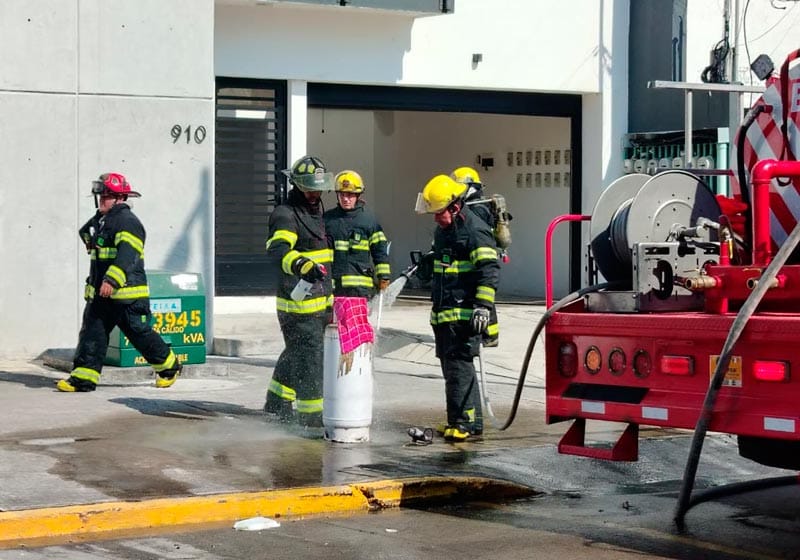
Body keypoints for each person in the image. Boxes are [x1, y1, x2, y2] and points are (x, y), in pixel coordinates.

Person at [57, 173, 182, 392]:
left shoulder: (128, 222)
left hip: (126, 294)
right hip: (102, 294)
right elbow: (86, 230)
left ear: (119, 198)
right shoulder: (104, 220)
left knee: (139, 333)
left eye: (106, 196)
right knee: (92, 332)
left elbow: (128, 254)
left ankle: (169, 367)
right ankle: (83, 379)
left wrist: (112, 280)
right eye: (100, 196)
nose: (101, 200)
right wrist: (90, 240)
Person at [414, 174, 500, 441]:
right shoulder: (444, 231)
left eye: (439, 213)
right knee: (455, 368)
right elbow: (445, 265)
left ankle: (462, 423)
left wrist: (483, 306)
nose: (436, 218)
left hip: (464, 314)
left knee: (458, 369)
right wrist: (427, 264)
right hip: (444, 311)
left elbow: (489, 270)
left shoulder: (474, 231)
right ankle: (469, 421)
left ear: (454, 206)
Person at [264, 155, 334, 428]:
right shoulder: (286, 213)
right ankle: (311, 419)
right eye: (309, 188)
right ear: (297, 186)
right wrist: (301, 264)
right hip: (298, 306)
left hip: (320, 303)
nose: (315, 193)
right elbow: (277, 250)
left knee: (295, 353)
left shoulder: (316, 213)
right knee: (310, 361)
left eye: (318, 188)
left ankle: (276, 404)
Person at [450, 166, 500, 347]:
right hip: (482, 252)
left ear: (469, 186)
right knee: (483, 295)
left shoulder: (477, 208)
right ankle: (490, 335)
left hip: (482, 254)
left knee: (483, 296)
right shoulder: (478, 204)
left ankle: (490, 335)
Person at [323, 170, 391, 299]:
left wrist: (384, 277)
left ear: (358, 195)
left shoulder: (369, 221)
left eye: (350, 195)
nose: (345, 199)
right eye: (342, 195)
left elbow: (380, 251)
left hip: (361, 290)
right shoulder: (328, 220)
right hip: (334, 288)